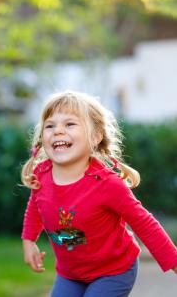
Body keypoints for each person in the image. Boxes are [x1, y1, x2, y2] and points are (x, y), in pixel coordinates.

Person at [21, 91, 177, 297]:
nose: (58, 130)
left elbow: (145, 224)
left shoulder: (106, 184)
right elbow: (35, 207)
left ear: (95, 136)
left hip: (114, 271)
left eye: (69, 124)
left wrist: (174, 262)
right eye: (50, 126)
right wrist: (28, 240)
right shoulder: (42, 175)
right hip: (70, 274)